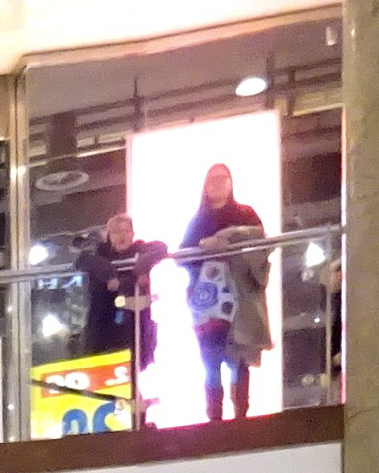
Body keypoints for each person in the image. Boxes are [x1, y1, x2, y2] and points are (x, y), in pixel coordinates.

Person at [178, 165, 271, 423]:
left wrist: (231, 239)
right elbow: (181, 256)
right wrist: (203, 246)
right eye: (212, 180)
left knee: (240, 356)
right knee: (211, 360)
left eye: (222, 178)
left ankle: (241, 416)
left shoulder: (245, 214)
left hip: (240, 297)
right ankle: (214, 420)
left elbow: (261, 245)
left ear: (231, 182)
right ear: (205, 186)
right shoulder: (198, 221)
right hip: (208, 302)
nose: (218, 184)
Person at [75, 210, 167, 389]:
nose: (122, 236)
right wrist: (109, 275)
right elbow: (82, 260)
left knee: (132, 379)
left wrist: (142, 267)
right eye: (116, 232)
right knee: (107, 381)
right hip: (105, 326)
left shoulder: (139, 251)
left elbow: (161, 247)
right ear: (109, 235)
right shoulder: (100, 254)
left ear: (132, 233)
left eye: (126, 231)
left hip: (134, 326)